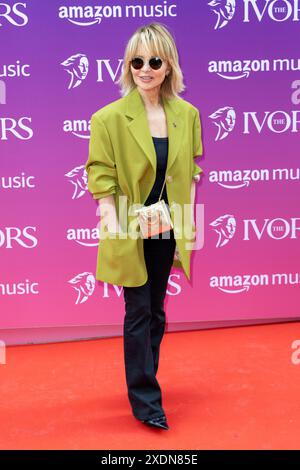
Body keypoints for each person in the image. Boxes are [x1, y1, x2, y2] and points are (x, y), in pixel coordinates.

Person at [85, 22, 204, 430]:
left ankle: (144, 377)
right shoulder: (109, 118)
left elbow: (189, 167)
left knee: (155, 310)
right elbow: (100, 173)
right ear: (128, 65)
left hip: (168, 225)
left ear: (168, 65)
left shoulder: (187, 115)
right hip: (128, 226)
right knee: (137, 310)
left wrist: (185, 208)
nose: (146, 69)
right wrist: (114, 221)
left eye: (154, 60)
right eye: (137, 61)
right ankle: (146, 399)